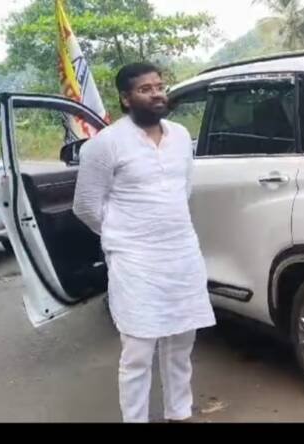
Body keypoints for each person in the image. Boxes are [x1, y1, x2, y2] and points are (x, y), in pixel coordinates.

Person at [73, 62, 216, 423]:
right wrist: (123, 235)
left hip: (182, 254)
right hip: (135, 261)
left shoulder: (181, 136)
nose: (157, 93)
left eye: (159, 86)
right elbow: (86, 206)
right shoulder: (104, 145)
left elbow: (184, 190)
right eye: (145, 89)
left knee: (182, 342)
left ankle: (179, 412)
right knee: (138, 350)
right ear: (125, 98)